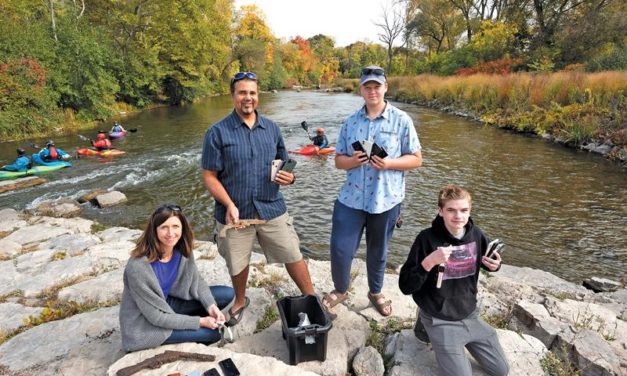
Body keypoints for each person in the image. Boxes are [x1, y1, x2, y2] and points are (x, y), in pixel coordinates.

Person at [201, 71, 315, 325]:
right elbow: (209, 176)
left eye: (252, 93)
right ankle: (240, 301)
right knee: (238, 261)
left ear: (258, 96)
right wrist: (229, 204)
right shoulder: (217, 132)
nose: (248, 98)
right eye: (242, 92)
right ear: (233, 96)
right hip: (235, 212)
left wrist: (290, 178)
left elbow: (285, 165)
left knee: (292, 253)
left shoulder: (272, 129)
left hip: (271, 207)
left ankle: (312, 298)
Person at [323, 65, 422, 317]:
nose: (372, 91)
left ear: (385, 87)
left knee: (378, 251)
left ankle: (375, 291)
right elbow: (338, 161)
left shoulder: (402, 120)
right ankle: (341, 289)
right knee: (340, 248)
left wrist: (389, 163)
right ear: (361, 90)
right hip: (351, 199)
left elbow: (416, 159)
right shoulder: (350, 122)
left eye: (377, 86)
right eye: (367, 86)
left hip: (386, 200)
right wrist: (354, 160)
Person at [399, 185, 509, 376]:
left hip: (469, 312)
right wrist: (429, 261)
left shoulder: (477, 235)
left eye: (463, 210)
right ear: (441, 211)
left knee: (501, 370)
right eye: (451, 210)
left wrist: (495, 265)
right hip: (438, 316)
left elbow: (489, 260)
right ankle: (424, 323)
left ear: (470, 211)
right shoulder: (426, 239)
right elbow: (405, 286)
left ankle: (437, 332)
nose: (458, 216)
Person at [119, 204, 235, 352]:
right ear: (154, 230)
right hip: (146, 324)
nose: (170, 233)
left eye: (175, 226)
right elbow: (157, 317)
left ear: (182, 228)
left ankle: (185, 323)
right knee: (213, 334)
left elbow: (196, 281)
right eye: (164, 227)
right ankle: (183, 329)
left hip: (167, 304)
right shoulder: (138, 266)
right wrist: (200, 322)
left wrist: (211, 307)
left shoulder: (181, 250)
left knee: (226, 294)